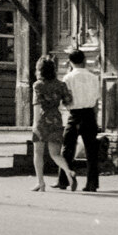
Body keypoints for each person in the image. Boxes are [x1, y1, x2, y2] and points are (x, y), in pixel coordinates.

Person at [30, 55, 78, 193]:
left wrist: (35, 124)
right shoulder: (61, 84)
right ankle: (69, 172)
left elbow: (37, 105)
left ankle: (41, 183)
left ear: (40, 70)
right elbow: (69, 102)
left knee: (38, 153)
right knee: (55, 154)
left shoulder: (38, 85)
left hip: (42, 120)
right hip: (56, 119)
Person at [59, 48, 102, 192]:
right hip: (89, 114)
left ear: (70, 62)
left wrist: (68, 106)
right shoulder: (93, 77)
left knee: (67, 148)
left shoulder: (68, 78)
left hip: (75, 114)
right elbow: (96, 98)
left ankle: (64, 180)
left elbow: (66, 99)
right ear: (84, 60)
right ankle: (92, 183)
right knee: (91, 151)